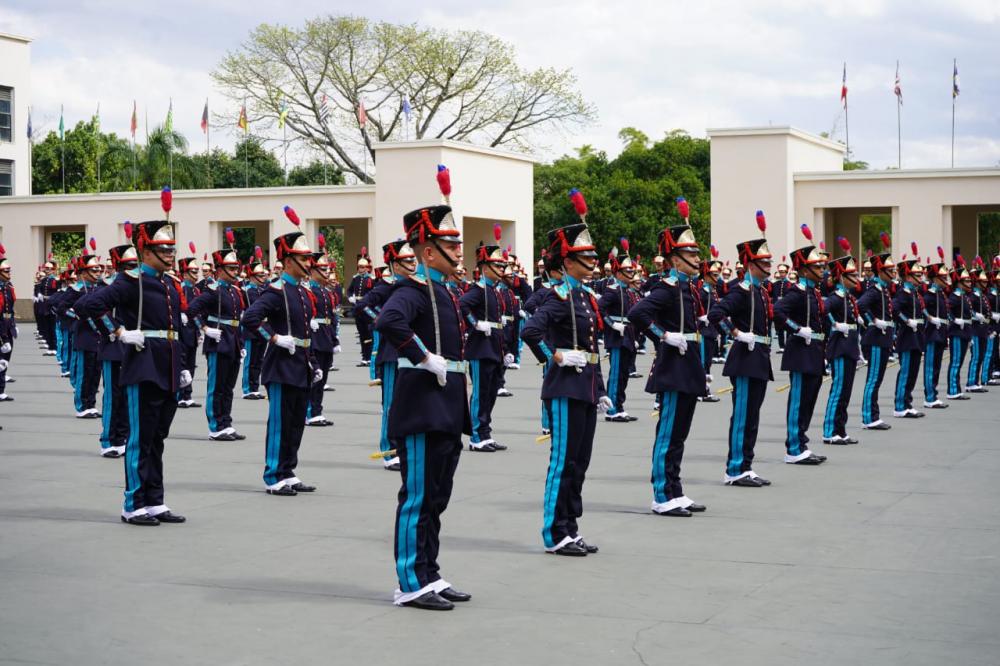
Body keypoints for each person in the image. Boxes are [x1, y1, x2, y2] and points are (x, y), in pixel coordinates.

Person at [374, 195, 472, 610]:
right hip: (420, 408)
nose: (458, 250)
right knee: (416, 497)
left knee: (436, 496)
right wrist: (422, 355)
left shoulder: (445, 291)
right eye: (450, 245)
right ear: (428, 251)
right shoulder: (412, 290)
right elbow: (388, 321)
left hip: (446, 406)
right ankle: (410, 581)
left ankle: (429, 573)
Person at [76, 220, 190, 526]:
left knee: (158, 438)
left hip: (167, 366)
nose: (169, 254)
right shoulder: (129, 281)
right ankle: (134, 503)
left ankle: (155, 501)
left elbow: (174, 330)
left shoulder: (169, 283)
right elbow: (88, 306)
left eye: (171, 249)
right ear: (145, 250)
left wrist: (182, 368)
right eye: (162, 249)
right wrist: (118, 331)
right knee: (140, 438)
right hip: (143, 365)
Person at [521, 202, 611, 556]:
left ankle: (571, 528)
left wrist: (601, 389)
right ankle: (554, 532)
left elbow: (592, 348)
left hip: (586, 387)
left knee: (580, 462)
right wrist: (555, 355)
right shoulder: (557, 297)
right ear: (567, 262)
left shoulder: (587, 298)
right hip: (563, 387)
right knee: (562, 461)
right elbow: (530, 331)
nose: (592, 261)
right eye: (584, 256)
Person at [627, 224, 708, 516]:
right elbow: (637, 313)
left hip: (687, 366)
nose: (697, 259)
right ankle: (662, 494)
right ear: (674, 259)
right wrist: (662, 335)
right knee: (668, 434)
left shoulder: (687, 287)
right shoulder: (667, 288)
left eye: (697, 254)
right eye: (690, 254)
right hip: (673, 368)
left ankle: (675, 490)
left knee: (680, 435)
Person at [241, 222, 321, 496]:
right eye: (303, 258)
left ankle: (288, 471)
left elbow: (305, 332)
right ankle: (273, 473)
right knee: (280, 422)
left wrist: (314, 363)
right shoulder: (275, 291)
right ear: (287, 261)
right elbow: (250, 318)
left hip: (301, 364)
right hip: (281, 365)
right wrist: (274, 337)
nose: (309, 263)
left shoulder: (302, 292)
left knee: (297, 421)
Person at [708, 224, 775, 487]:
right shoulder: (741, 290)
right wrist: (735, 332)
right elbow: (716, 314)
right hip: (745, 359)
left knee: (753, 416)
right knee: (743, 415)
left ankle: (746, 465)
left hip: (758, 358)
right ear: (750, 263)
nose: (769, 264)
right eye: (763, 261)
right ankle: (735, 468)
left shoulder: (759, 290)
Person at [359, 239, 417, 470]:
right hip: (392, 353)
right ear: (394, 263)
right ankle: (388, 451)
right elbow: (361, 306)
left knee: (409, 404)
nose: (412, 263)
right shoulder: (386, 286)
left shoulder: (413, 285)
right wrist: (381, 320)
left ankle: (402, 448)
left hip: (412, 351)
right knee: (392, 404)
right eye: (406, 260)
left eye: (413, 259)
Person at [773, 231, 829, 466]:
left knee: (809, 400)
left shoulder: (814, 293)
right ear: (805, 270)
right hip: (800, 351)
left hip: (814, 351)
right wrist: (796, 329)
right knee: (798, 401)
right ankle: (793, 448)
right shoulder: (796, 292)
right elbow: (777, 312)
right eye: (817, 267)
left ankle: (802, 444)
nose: (822, 271)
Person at [186, 248, 247, 441]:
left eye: (236, 267)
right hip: (219, 342)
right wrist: (205, 328)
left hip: (234, 342)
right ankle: (215, 426)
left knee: (228, 386)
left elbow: (239, 319)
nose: (235, 271)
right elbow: (191, 311)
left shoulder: (236, 291)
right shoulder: (213, 291)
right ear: (220, 270)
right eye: (231, 267)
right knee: (217, 386)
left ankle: (226, 423)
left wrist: (242, 343)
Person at [88, 244, 138, 458]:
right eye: (128, 265)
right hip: (112, 346)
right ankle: (108, 439)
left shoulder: (137, 286)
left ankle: (123, 437)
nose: (133, 268)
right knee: (112, 396)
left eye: (136, 264)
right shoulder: (106, 286)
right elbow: (89, 310)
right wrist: (111, 330)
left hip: (131, 346)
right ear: (119, 266)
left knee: (128, 396)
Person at [460, 240, 509, 452]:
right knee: (481, 392)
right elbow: (462, 305)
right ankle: (476, 436)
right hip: (480, 348)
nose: (501, 269)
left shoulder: (496, 291)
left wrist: (506, 351)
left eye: (502, 266)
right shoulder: (478, 289)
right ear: (485, 267)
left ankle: (486, 433)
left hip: (494, 347)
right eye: (497, 266)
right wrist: (476, 324)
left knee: (490, 393)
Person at [822, 245, 863, 444]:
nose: (856, 278)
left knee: (846, 391)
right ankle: (830, 431)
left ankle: (841, 429)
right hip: (839, 348)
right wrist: (834, 324)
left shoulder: (849, 298)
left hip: (850, 348)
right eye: (852, 275)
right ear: (842, 277)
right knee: (838, 390)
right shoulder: (835, 298)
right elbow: (822, 309)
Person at [598, 243, 640, 422]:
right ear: (618, 273)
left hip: (628, 336)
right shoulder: (613, 290)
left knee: (624, 374)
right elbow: (599, 310)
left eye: (632, 271)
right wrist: (612, 325)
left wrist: (635, 336)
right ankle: (612, 408)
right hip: (617, 337)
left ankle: (620, 406)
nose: (632, 274)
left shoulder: (629, 292)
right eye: (628, 271)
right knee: (615, 374)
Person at [857, 246, 897, 430]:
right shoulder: (874, 289)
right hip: (874, 339)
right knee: (873, 379)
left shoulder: (883, 289)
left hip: (882, 339)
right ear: (880, 271)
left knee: (877, 378)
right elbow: (860, 305)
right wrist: (872, 321)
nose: (893, 273)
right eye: (890, 270)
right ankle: (868, 417)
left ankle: (874, 414)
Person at [63, 255, 104, 418]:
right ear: (84, 272)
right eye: (94, 270)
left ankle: (91, 404)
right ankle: (81, 406)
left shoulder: (101, 289)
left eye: (99, 269)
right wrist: (75, 316)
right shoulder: (76, 290)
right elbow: (59, 307)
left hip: (98, 336)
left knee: (95, 372)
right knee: (84, 373)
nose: (98, 272)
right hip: (84, 335)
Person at [305, 249, 337, 427]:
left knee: (323, 376)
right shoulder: (307, 290)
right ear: (313, 271)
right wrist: (309, 321)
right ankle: (310, 411)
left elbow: (331, 317)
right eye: (323, 270)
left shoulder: (326, 292)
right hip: (313, 337)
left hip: (325, 336)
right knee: (314, 376)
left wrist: (335, 339)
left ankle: (317, 410)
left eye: (327, 269)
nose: (327, 273)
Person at [892, 258, 927, 417]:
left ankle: (907, 402)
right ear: (907, 277)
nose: (920, 278)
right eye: (916, 275)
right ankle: (900, 406)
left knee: (913, 372)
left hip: (917, 336)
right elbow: (894, 310)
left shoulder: (914, 293)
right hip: (907, 337)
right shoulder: (903, 293)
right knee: (906, 371)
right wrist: (906, 321)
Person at [921, 260, 951, 408]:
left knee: (937, 366)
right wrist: (930, 318)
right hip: (932, 334)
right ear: (934, 278)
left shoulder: (941, 294)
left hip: (941, 333)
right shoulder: (930, 295)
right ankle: (929, 397)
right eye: (942, 277)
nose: (945, 280)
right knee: (930, 366)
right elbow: (922, 308)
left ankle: (934, 394)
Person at [176, 255, 202, 409]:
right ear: (185, 274)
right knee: (183, 363)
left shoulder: (196, 289)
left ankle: (188, 394)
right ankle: (180, 394)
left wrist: (199, 331)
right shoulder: (182, 288)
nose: (196, 274)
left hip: (192, 330)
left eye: (196, 271)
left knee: (191, 363)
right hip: (183, 330)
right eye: (193, 271)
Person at [946, 260, 975, 400]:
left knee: (960, 361)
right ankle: (952, 390)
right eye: (966, 281)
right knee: (956, 361)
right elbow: (946, 310)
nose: (970, 283)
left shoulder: (964, 296)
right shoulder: (954, 297)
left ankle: (956, 388)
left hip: (964, 332)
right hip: (957, 333)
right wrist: (954, 320)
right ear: (959, 282)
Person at [241, 260, 269, 399]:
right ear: (252, 276)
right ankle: (247, 388)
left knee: (259, 360)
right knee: (250, 361)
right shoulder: (245, 290)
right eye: (260, 275)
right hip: (250, 330)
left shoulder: (262, 291)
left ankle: (255, 387)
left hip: (262, 329)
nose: (264, 277)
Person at [697, 259, 722, 403]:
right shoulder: (702, 293)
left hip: (711, 330)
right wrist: (701, 317)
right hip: (703, 331)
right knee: (702, 362)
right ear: (705, 275)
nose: (717, 277)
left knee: (707, 362)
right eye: (714, 274)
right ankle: (700, 390)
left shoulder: (712, 292)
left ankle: (704, 389)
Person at [966, 266, 991, 393]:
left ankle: (975, 381)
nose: (986, 283)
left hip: (983, 330)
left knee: (981, 356)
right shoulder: (971, 296)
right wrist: (976, 316)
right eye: (983, 281)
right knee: (975, 356)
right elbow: (968, 311)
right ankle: (971, 382)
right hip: (975, 330)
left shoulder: (981, 296)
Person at [348, 251, 376, 367]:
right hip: (358, 308)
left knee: (369, 334)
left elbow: (374, 293)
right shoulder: (355, 278)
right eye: (359, 267)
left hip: (367, 309)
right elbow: (350, 290)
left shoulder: (371, 279)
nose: (361, 269)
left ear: (367, 268)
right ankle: (364, 357)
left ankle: (369, 357)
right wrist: (350, 297)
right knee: (362, 334)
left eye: (363, 267)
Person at [0, 256, 17, 401]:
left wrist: (13, 325)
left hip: (7, 325)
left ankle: (1, 390)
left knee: (4, 361)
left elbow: (10, 309)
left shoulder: (8, 287)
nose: (8, 273)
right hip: (0, 329)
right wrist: (2, 338)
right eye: (5, 271)